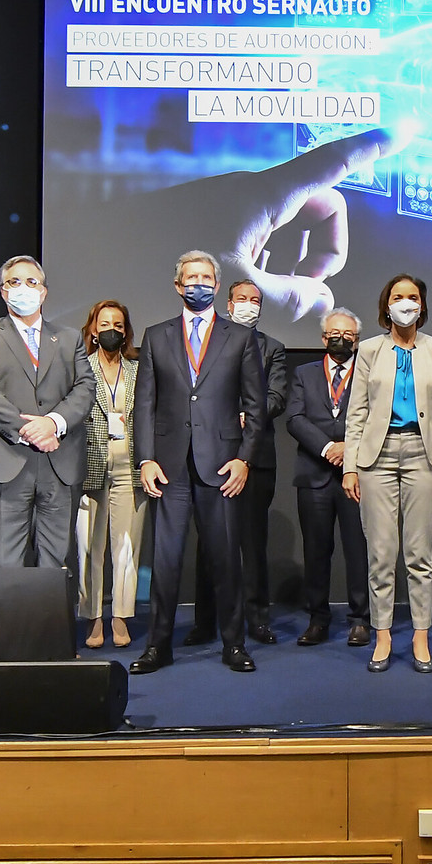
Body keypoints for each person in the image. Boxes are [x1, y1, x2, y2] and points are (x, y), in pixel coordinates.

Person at [130, 250, 265, 675]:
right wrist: (145, 459)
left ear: (217, 286)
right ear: (178, 285)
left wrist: (244, 460)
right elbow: (144, 403)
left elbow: (256, 407)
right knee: (165, 561)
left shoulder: (239, 337)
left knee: (225, 559)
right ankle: (158, 646)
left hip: (222, 466)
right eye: (191, 278)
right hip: (168, 466)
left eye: (206, 278)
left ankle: (234, 644)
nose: (198, 284)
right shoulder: (156, 335)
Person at [344, 274, 432, 674]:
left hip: (423, 455)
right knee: (380, 553)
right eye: (398, 296)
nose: (405, 303)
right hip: (376, 457)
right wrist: (350, 467)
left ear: (422, 305)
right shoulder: (369, 350)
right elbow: (356, 413)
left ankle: (420, 636)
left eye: (412, 297)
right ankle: (383, 635)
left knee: (419, 554)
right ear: (386, 305)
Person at [0, 256, 95, 579]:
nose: (24, 288)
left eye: (32, 282)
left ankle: (50, 617)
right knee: (5, 565)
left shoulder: (68, 338)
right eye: (14, 282)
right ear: (3, 292)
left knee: (55, 565)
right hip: (4, 461)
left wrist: (53, 423)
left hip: (59, 464)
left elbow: (85, 387)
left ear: (44, 291)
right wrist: (29, 429)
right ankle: (7, 617)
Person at [189, 280, 289, 647]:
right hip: (210, 454)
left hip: (255, 457)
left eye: (255, 300)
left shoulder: (272, 348)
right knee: (208, 543)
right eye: (242, 299)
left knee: (252, 542)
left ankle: (257, 619)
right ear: (228, 304)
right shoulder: (206, 342)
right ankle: (205, 622)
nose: (249, 304)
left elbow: (276, 396)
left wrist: (248, 415)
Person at [287, 308, 370, 648]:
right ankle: (318, 619)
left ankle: (361, 619)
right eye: (335, 333)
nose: (341, 339)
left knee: (359, 550)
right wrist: (327, 448)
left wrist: (349, 448)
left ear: (357, 340)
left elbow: (379, 417)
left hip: (358, 475)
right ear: (323, 338)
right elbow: (295, 418)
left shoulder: (369, 372)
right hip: (314, 474)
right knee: (316, 551)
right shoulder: (304, 373)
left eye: (348, 335)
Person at [75, 300, 146, 650]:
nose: (111, 331)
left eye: (118, 325)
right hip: (89, 464)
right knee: (89, 546)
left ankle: (120, 615)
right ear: (92, 330)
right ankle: (93, 617)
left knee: (127, 545)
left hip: (129, 465)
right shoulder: (79, 368)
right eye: (105, 324)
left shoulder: (138, 370)